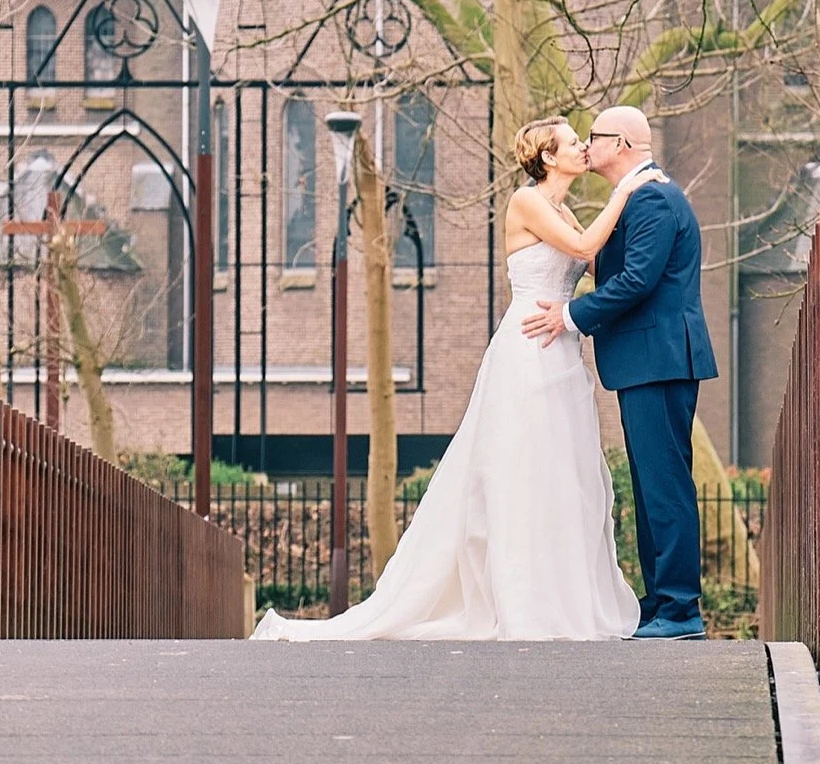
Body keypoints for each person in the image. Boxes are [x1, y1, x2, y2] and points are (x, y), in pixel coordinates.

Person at [250, 116, 651, 641]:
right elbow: (580, 252)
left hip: (563, 352)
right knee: (521, 472)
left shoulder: (565, 210)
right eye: (574, 143)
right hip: (528, 351)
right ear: (548, 158)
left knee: (563, 477)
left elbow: (593, 263)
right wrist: (627, 187)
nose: (582, 149)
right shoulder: (526, 201)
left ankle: (563, 598)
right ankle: (521, 601)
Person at [521, 106, 718, 639]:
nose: (588, 145)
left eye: (594, 137)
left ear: (622, 143)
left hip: (659, 360)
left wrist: (568, 316)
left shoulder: (652, 197)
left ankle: (680, 609)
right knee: (653, 485)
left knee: (666, 486)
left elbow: (636, 281)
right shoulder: (636, 196)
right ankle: (661, 603)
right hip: (648, 361)